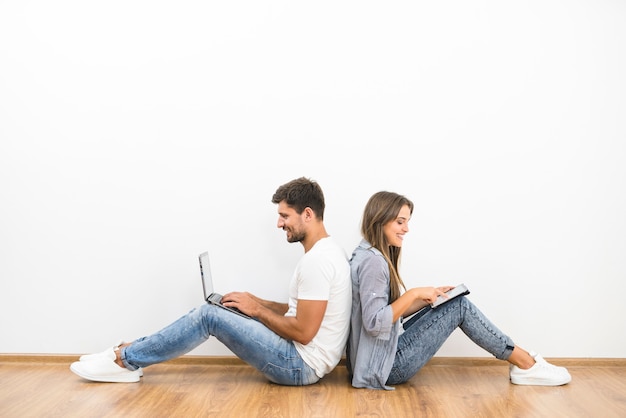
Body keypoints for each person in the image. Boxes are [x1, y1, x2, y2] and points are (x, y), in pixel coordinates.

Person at [70, 177, 352, 386]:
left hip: (299, 366)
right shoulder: (327, 252)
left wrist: (256, 311)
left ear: (307, 214)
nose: (279, 224)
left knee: (209, 316)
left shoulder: (317, 261)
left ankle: (124, 360)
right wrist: (257, 302)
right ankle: (130, 352)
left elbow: (303, 332)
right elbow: (301, 312)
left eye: (284, 216)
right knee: (218, 310)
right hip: (302, 359)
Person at [346, 191, 571, 390]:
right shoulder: (374, 262)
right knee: (459, 307)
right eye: (400, 222)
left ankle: (524, 362)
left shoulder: (366, 253)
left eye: (407, 222)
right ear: (380, 220)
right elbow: (375, 324)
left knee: (450, 303)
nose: (407, 229)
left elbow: (387, 314)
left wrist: (427, 298)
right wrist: (412, 293)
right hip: (385, 366)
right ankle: (525, 363)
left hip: (373, 359)